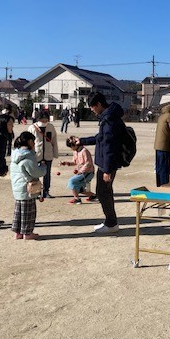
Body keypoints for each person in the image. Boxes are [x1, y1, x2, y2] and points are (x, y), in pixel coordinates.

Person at [74, 92, 125, 234]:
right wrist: (82, 141)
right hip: (106, 162)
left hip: (107, 163)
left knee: (103, 192)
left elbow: (109, 145)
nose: (91, 109)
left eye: (92, 106)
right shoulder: (108, 117)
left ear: (99, 104)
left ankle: (111, 223)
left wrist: (107, 170)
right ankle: (110, 221)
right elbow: (100, 138)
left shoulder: (109, 119)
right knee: (104, 192)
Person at [10, 131, 47, 240]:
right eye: (33, 142)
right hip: (27, 188)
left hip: (17, 187)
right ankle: (27, 233)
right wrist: (43, 167)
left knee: (18, 212)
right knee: (28, 212)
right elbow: (36, 172)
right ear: (30, 141)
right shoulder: (27, 157)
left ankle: (18, 232)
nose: (34, 144)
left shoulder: (15, 154)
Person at [28, 111, 59, 198]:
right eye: (42, 118)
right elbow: (29, 142)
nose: (44, 120)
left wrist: (55, 153)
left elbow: (54, 140)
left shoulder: (50, 127)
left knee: (47, 174)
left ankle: (46, 191)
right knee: (34, 174)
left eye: (46, 118)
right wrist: (29, 154)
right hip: (36, 154)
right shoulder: (32, 127)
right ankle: (36, 192)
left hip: (48, 154)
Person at [62, 136, 96, 204]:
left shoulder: (84, 151)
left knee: (72, 181)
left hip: (88, 173)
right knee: (80, 189)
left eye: (71, 146)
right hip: (82, 173)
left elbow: (88, 163)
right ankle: (94, 196)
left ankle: (77, 199)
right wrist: (66, 163)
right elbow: (74, 162)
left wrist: (81, 171)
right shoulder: (75, 152)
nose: (71, 148)